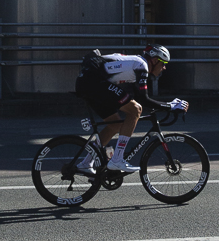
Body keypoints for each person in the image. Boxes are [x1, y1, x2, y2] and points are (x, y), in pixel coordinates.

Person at [75, 45, 188, 175]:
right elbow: (143, 100)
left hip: (87, 83)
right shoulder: (141, 65)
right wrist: (170, 106)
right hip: (93, 83)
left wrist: (167, 106)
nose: (164, 68)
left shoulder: (136, 64)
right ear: (155, 60)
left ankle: (86, 163)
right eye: (163, 63)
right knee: (135, 109)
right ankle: (117, 159)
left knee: (115, 125)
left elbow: (140, 96)